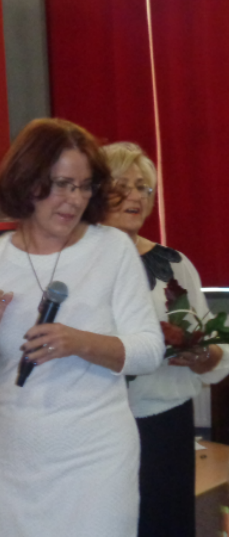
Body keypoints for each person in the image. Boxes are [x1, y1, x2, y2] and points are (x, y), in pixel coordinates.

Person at [0, 118, 164, 537]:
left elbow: (148, 351)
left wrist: (78, 342)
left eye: (84, 187)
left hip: (98, 454)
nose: (74, 199)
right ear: (28, 181)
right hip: (15, 457)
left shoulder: (112, 249)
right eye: (62, 185)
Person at [102, 141, 229, 537]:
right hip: (100, 426)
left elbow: (213, 347)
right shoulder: (77, 265)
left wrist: (203, 354)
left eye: (144, 188)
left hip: (166, 424)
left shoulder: (175, 264)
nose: (137, 196)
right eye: (123, 185)